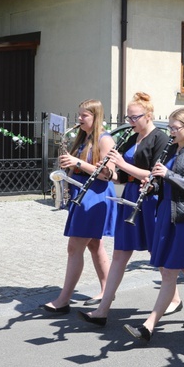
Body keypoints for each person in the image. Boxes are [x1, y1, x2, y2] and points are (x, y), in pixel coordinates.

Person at [79, 92, 181, 326]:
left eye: (134, 118)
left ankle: (178, 299)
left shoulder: (161, 139)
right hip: (131, 195)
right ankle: (103, 309)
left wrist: (123, 165)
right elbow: (121, 174)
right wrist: (110, 173)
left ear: (149, 115)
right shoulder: (130, 138)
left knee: (160, 255)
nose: (130, 122)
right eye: (128, 117)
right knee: (120, 253)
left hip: (152, 198)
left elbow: (157, 174)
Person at [123, 108, 184, 341]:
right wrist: (152, 185)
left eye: (176, 128)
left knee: (170, 272)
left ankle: (148, 326)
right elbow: (164, 183)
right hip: (167, 213)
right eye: (170, 128)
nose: (171, 132)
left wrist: (169, 175)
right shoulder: (171, 148)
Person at [42, 99, 116, 314]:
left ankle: (64, 299)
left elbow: (108, 174)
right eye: (80, 115)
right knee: (95, 245)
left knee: (74, 247)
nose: (79, 119)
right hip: (82, 193)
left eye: (84, 115)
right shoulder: (84, 139)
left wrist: (77, 163)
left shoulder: (105, 140)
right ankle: (106, 291)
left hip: (95, 196)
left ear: (96, 117)